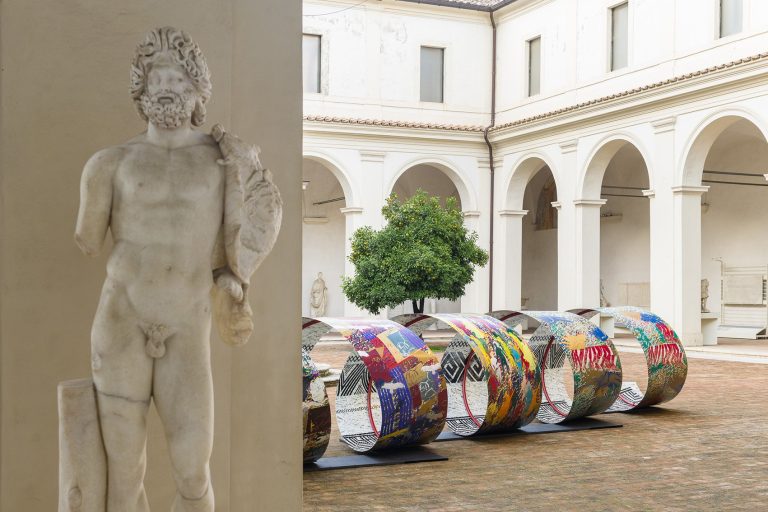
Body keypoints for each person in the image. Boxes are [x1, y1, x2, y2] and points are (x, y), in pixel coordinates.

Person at [75, 27, 281, 511]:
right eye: (156, 80)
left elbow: (256, 222)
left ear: (198, 92)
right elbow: (86, 237)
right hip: (120, 325)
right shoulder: (110, 164)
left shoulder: (224, 164)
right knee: (123, 473)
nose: (166, 89)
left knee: (192, 470)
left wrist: (235, 275)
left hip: (187, 329)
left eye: (178, 81)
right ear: (141, 91)